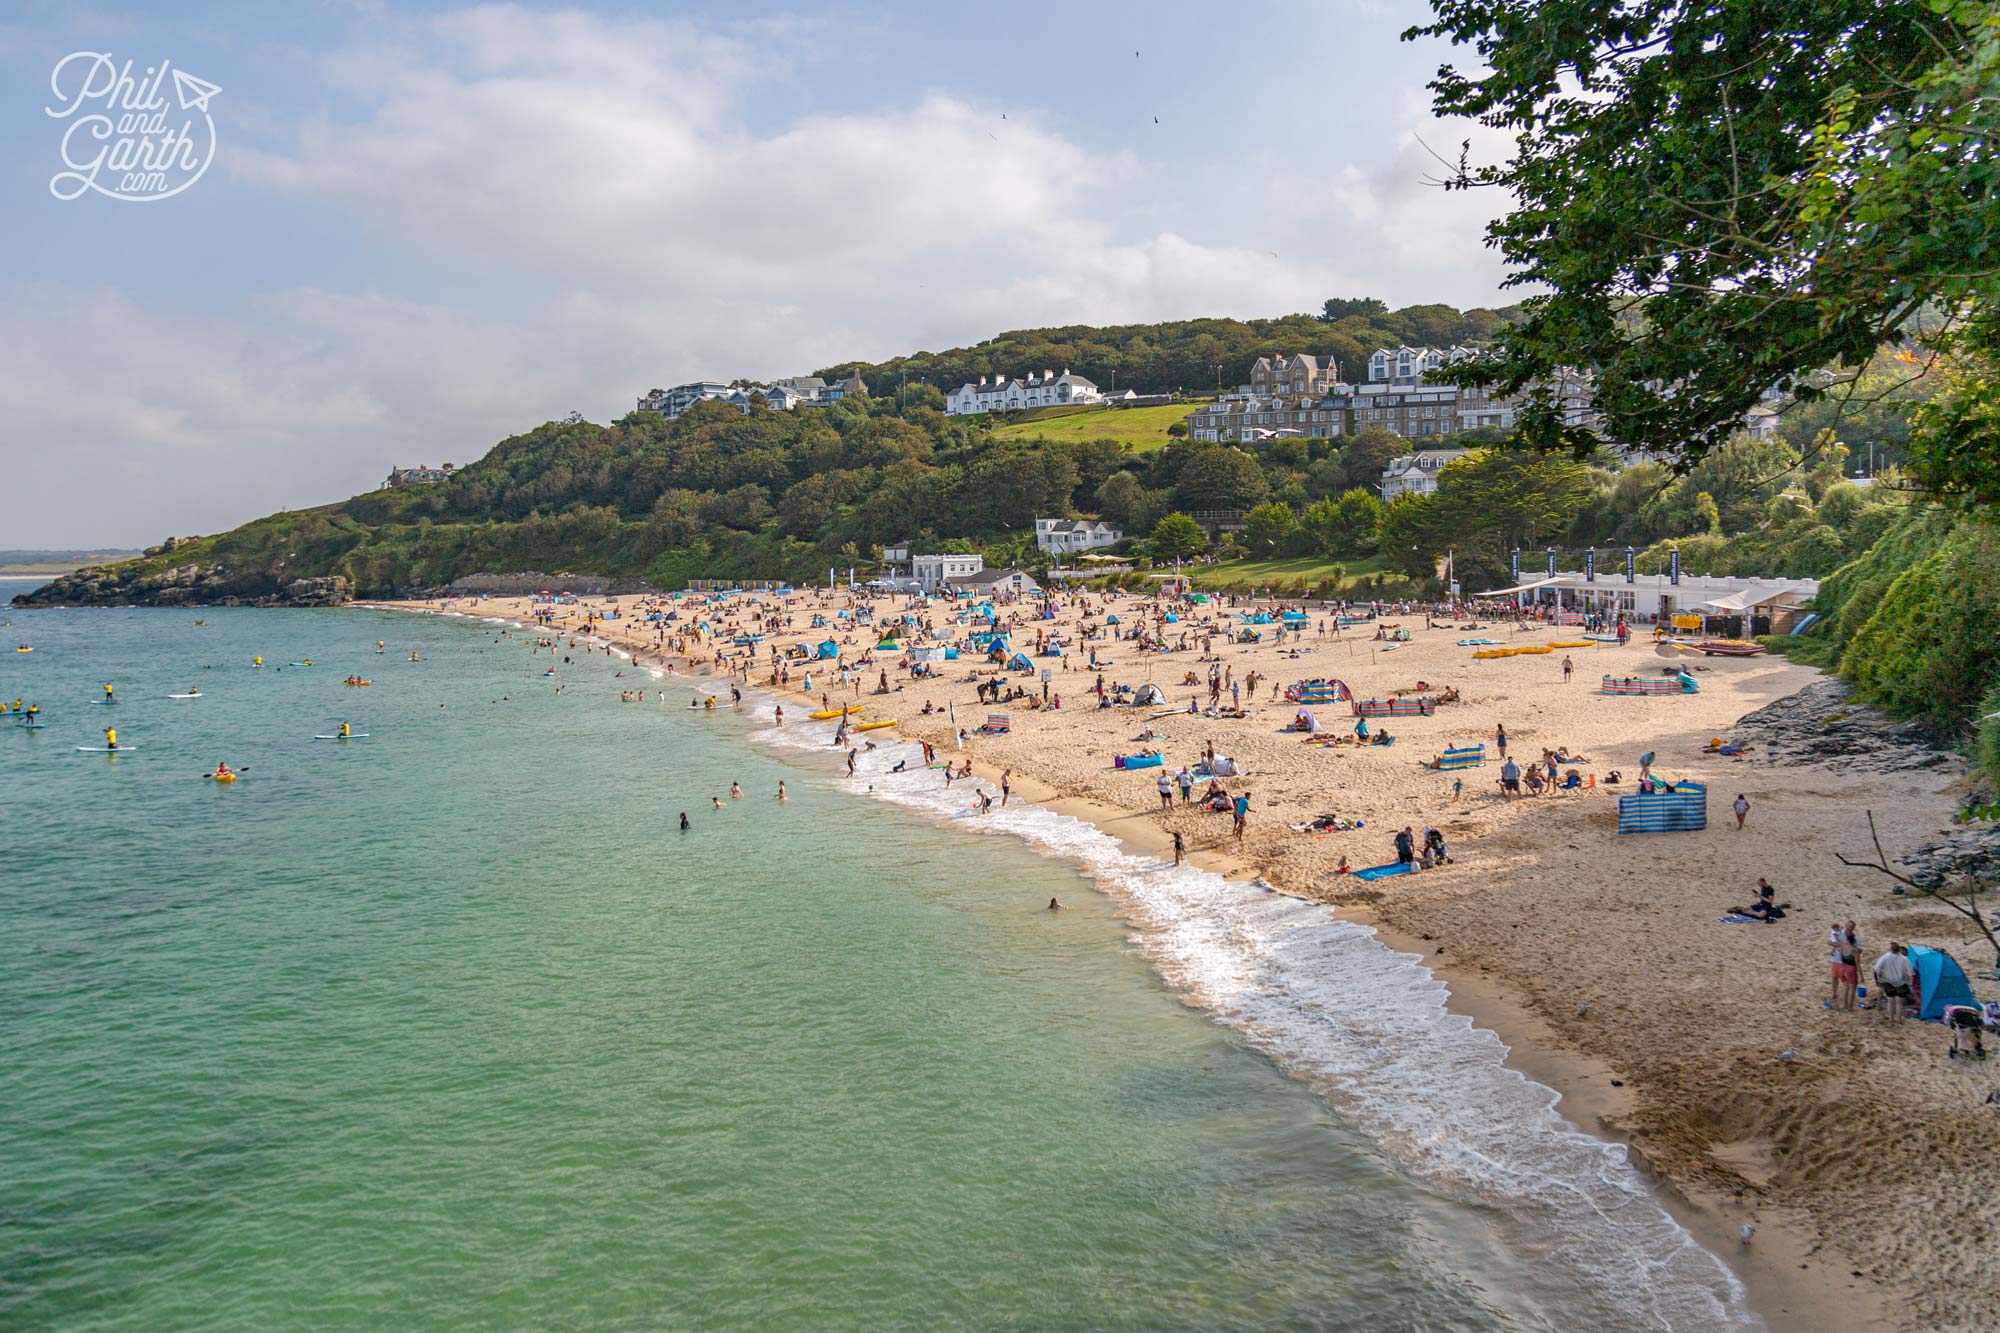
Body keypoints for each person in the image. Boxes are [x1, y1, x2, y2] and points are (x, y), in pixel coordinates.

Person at [1873, 942, 1914, 1021]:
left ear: (1890, 949)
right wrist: (1910, 982)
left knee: (1890, 1001)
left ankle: (1891, 1020)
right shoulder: (1905, 959)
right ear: (1899, 949)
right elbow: (1910, 973)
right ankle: (1899, 1019)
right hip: (1901, 983)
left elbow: (1877, 969)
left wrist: (1879, 978)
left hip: (1888, 982)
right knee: (1899, 1002)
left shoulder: (1885, 957)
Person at [1829, 921, 1859, 1011]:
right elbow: (1829, 942)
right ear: (1846, 926)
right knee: (1839, 979)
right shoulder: (1840, 934)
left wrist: (1843, 947)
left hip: (1843, 962)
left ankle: (1845, 1005)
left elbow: (1859, 950)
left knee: (1846, 984)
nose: (1850, 927)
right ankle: (1836, 995)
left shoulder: (1855, 938)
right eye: (1849, 926)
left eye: (1852, 926)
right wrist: (1842, 945)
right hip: (1842, 962)